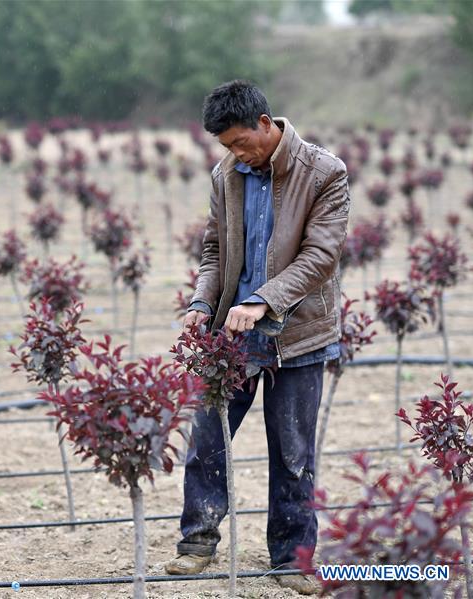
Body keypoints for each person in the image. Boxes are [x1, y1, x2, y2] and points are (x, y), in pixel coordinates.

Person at [164, 80, 350, 595]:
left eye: (240, 143)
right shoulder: (226, 175)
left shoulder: (324, 172)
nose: (235, 155)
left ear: (265, 124)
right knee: (207, 438)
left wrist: (262, 299)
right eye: (226, 148)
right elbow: (214, 252)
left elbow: (320, 256)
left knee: (292, 452)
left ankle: (292, 560)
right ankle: (197, 541)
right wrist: (202, 302)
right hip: (233, 335)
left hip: (300, 334)